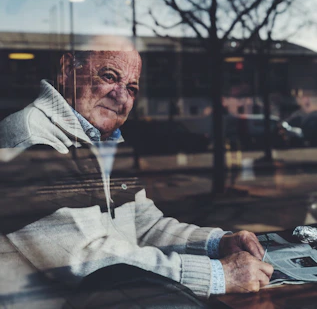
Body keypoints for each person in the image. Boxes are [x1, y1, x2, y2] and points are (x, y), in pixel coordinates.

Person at [0, 36, 273, 308]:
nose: (121, 96)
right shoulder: (29, 138)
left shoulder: (103, 141)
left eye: (132, 88)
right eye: (109, 76)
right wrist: (216, 275)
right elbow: (88, 259)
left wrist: (216, 244)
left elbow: (145, 225)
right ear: (68, 70)